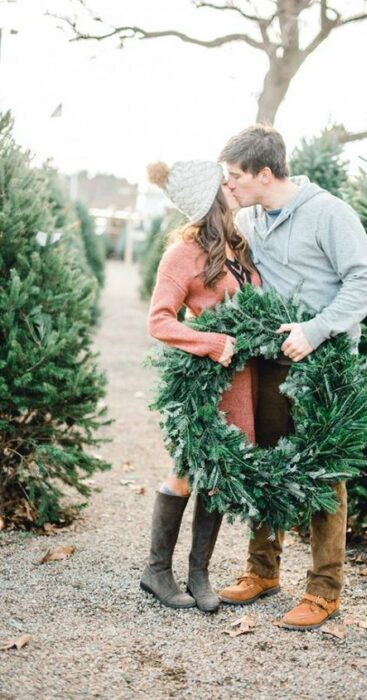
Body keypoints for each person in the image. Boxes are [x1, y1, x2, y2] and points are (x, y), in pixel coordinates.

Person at [218, 124, 367, 631]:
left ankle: (323, 591)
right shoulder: (249, 216)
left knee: (322, 475)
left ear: (266, 174)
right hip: (269, 361)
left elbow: (365, 281)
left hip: (324, 363)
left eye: (236, 176)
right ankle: (262, 571)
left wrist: (316, 329)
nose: (230, 185)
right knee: (268, 463)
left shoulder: (329, 213)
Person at [140, 159, 260, 613]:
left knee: (218, 477)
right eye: (223, 181)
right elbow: (159, 321)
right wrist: (209, 342)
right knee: (187, 471)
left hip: (241, 381)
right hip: (205, 381)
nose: (232, 183)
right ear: (208, 195)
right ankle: (156, 572)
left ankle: (199, 574)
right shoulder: (183, 253)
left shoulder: (238, 245)